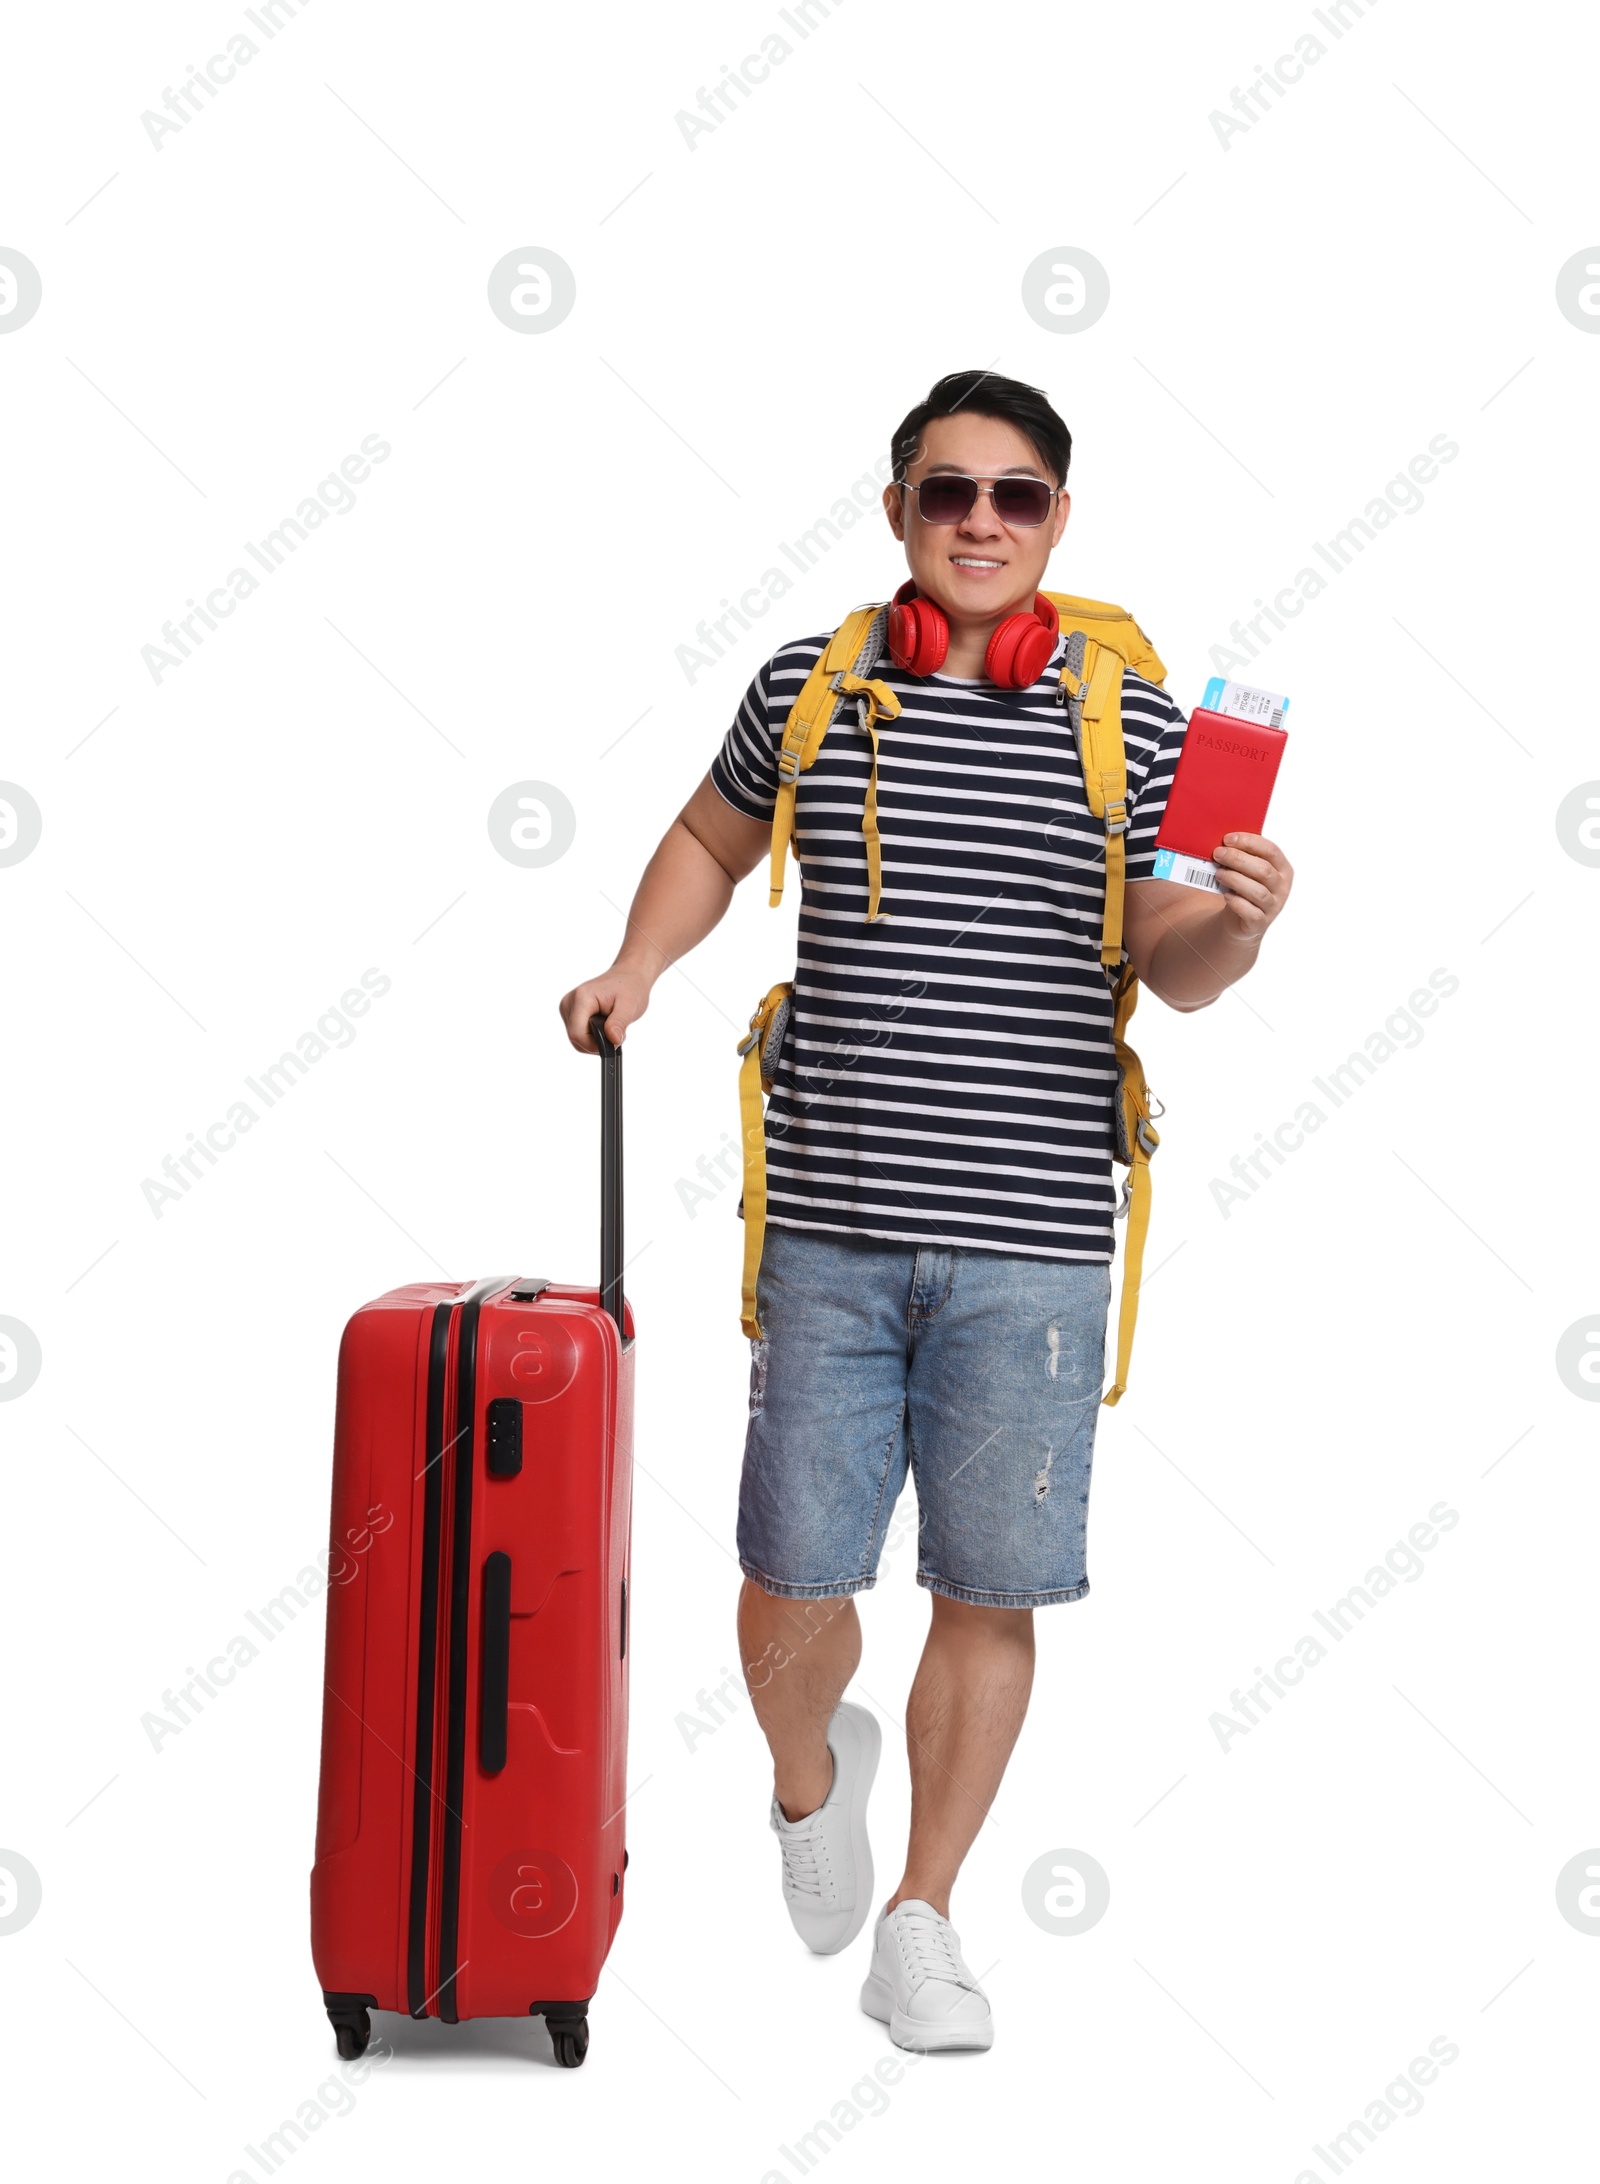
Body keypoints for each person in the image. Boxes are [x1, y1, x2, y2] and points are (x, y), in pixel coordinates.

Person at [560, 369, 1293, 2052]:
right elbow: (709, 836)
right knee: (793, 1581)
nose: (981, 522)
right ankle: (812, 1786)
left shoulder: (1141, 721)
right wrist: (637, 962)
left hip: (1032, 1245)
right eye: (948, 492)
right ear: (897, 511)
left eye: (1016, 496)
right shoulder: (810, 690)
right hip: (824, 1226)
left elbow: (1171, 969)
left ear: (1056, 521)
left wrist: (1239, 925)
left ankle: (923, 1914)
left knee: (989, 1589)